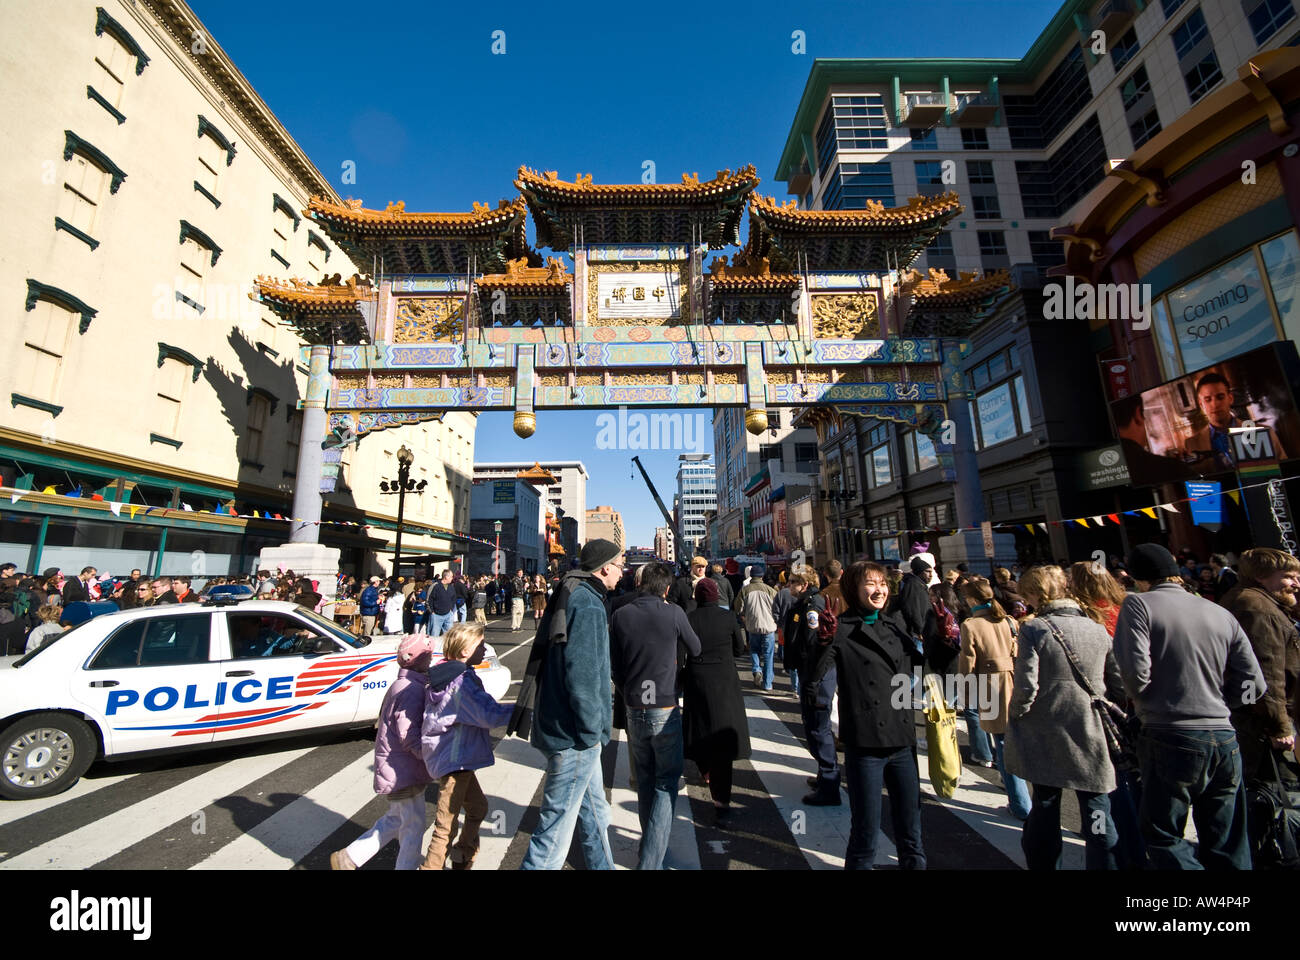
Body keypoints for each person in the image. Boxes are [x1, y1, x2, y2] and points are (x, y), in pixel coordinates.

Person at [1113, 543, 1264, 870]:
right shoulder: (1216, 610)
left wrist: (1145, 700)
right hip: (1224, 734)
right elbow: (1255, 682)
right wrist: (1222, 703)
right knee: (1227, 837)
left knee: (1163, 833)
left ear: (1139, 578)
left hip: (1169, 730)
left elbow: (1135, 674)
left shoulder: (1139, 605)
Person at [807, 561, 925, 869]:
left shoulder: (895, 625)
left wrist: (946, 642)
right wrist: (822, 642)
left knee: (912, 834)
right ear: (853, 589)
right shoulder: (841, 629)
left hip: (902, 740)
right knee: (865, 834)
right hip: (866, 743)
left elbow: (921, 668)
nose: (880, 590)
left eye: (883, 583)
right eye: (871, 584)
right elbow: (814, 677)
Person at [1005, 565, 1122, 870]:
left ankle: (1044, 864)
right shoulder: (1097, 628)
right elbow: (1118, 680)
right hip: (1091, 722)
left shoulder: (1034, 628)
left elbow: (1027, 684)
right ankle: (1105, 863)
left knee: (1045, 801)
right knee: (1097, 807)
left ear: (1036, 594)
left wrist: (1016, 713)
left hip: (1048, 723)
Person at [519, 540, 624, 870]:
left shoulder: (570, 591)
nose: (623, 573)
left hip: (561, 724)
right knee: (553, 834)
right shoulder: (590, 604)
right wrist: (592, 731)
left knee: (596, 813)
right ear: (605, 567)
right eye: (620, 565)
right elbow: (585, 675)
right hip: (574, 735)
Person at [609, 562, 701, 869]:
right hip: (664, 703)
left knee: (646, 780)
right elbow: (696, 647)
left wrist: (626, 691)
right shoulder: (674, 613)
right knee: (666, 782)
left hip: (634, 704)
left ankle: (649, 845)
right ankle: (650, 859)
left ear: (639, 583)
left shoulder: (621, 615)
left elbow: (614, 664)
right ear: (666, 588)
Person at [330, 634, 435, 870]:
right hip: (402, 768)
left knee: (397, 818)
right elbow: (408, 734)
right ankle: (405, 866)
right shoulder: (410, 689)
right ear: (420, 660)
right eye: (428, 656)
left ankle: (348, 858)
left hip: (396, 765)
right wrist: (429, 755)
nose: (431, 659)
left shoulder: (405, 684)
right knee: (413, 825)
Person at [419, 622, 514, 870]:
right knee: (445, 824)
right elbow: (488, 714)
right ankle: (434, 865)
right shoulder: (461, 682)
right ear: (464, 651)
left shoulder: (443, 674)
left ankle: (463, 854)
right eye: (480, 645)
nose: (484, 649)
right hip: (455, 756)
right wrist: (521, 712)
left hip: (450, 754)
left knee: (478, 808)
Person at [957, 577, 1031, 820]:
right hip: (1014, 680)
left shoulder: (971, 625)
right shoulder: (1009, 620)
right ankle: (1021, 796)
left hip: (990, 684)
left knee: (1002, 742)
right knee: (1016, 739)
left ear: (972, 600)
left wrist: (964, 691)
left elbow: (967, 662)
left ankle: (1020, 803)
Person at [1224, 547, 1299, 786]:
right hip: (1260, 724)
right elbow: (1267, 673)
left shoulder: (1258, 602)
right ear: (1260, 576)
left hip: (1258, 718)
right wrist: (1278, 726)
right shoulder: (1257, 608)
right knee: (1277, 794)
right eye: (1288, 576)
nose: (1296, 583)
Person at [684, 577, 750, 824]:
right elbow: (738, 649)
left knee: (700, 731)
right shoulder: (729, 618)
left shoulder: (689, 619)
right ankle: (722, 804)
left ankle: (705, 770)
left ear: (697, 597)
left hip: (697, 678)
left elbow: (683, 651)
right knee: (722, 741)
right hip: (724, 680)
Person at [786, 568, 840, 804]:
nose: (789, 586)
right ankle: (823, 774)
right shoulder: (805, 604)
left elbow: (816, 646)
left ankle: (829, 784)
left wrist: (813, 681)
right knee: (812, 726)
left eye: (793, 582)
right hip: (809, 672)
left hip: (817, 674)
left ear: (805, 584)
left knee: (819, 728)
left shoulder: (813, 607)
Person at [737, 568, 779, 691]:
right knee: (768, 655)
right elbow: (776, 609)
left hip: (752, 625)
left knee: (754, 650)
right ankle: (767, 683)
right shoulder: (770, 590)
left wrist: (744, 616)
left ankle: (756, 670)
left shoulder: (744, 590)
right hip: (768, 626)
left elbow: (738, 608)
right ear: (762, 576)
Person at [429, 571, 458, 638]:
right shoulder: (435, 586)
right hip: (436, 615)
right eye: (451, 576)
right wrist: (432, 611)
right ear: (446, 577)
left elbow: (453, 598)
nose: (452, 578)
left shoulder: (451, 587)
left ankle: (446, 648)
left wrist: (451, 609)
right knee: (434, 635)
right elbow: (429, 599)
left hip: (448, 614)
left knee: (449, 635)